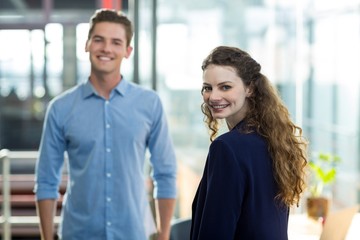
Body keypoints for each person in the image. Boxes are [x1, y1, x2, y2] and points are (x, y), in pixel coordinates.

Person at [34, 9, 177, 240]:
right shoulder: (60, 108)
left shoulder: (149, 104)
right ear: (87, 44)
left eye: (116, 42)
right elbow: (46, 180)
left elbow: (166, 173)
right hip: (78, 233)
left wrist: (164, 235)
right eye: (99, 40)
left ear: (127, 51)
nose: (106, 49)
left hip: (133, 232)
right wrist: (46, 237)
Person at [190, 46, 308, 240]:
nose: (213, 97)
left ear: (250, 88)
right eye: (207, 88)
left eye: (225, 87)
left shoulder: (227, 147)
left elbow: (215, 232)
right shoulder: (275, 140)